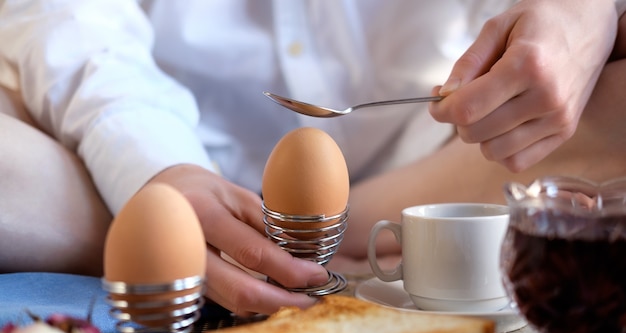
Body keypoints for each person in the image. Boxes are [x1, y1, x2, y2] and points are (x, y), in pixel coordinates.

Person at [0, 0, 625, 316]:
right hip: (109, 160)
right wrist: (153, 167)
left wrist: (585, 13)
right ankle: (178, 227)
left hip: (433, 165)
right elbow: (68, 17)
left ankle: (173, 245)